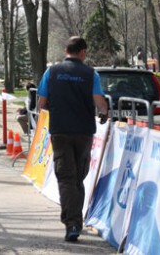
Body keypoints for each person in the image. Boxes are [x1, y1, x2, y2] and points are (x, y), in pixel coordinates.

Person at [36, 36, 109, 242]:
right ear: (83, 52)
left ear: (65, 51)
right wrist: (104, 112)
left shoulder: (51, 72)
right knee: (77, 177)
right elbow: (100, 102)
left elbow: (41, 103)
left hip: (60, 130)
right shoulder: (91, 74)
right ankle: (75, 220)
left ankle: (72, 223)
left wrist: (56, 107)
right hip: (84, 132)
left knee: (66, 177)